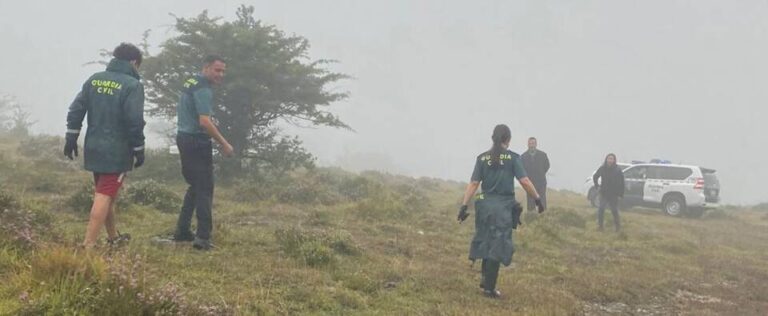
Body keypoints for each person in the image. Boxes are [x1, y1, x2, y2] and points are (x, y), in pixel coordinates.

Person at [64, 43, 146, 249]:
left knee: (107, 193)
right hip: (117, 152)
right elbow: (134, 120)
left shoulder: (94, 79)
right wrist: (139, 148)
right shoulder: (132, 85)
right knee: (104, 195)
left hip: (94, 147)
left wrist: (71, 137)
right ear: (134, 63)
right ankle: (88, 245)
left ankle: (113, 238)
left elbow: (76, 110)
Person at [457, 124, 545, 299]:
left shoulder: (482, 158)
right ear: (508, 139)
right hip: (503, 207)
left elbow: (474, 184)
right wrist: (537, 199)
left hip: (484, 204)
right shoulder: (513, 158)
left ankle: (484, 277)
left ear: (493, 138)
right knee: (498, 245)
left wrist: (464, 206)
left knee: (485, 239)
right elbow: (525, 181)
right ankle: (489, 288)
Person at [172, 55, 234, 251]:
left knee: (195, 185)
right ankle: (203, 237)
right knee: (205, 188)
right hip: (196, 141)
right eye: (217, 70)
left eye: (223, 71)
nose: (220, 75)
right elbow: (204, 121)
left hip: (183, 137)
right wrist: (224, 143)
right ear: (206, 68)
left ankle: (182, 230)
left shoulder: (191, 81)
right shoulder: (203, 89)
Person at [592, 153, 625, 232]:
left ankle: (618, 228)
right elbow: (595, 176)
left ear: (614, 160)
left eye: (612, 159)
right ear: (606, 159)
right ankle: (600, 227)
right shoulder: (602, 168)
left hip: (613, 194)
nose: (610, 160)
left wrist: (621, 194)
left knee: (614, 210)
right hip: (604, 193)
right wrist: (597, 186)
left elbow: (622, 182)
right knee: (601, 209)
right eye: (609, 158)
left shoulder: (618, 170)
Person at [521, 137, 550, 211]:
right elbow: (522, 169)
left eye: (533, 143)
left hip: (541, 182)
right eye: (530, 143)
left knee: (542, 200)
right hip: (529, 183)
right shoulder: (523, 156)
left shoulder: (543, 155)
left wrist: (541, 173)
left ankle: (543, 217)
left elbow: (547, 166)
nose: (532, 145)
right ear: (527, 144)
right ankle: (531, 218)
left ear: (536, 144)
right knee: (530, 202)